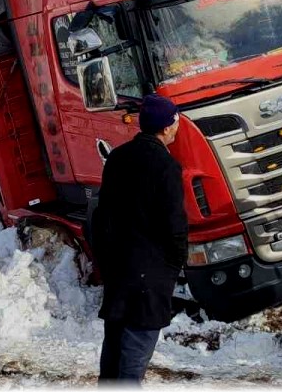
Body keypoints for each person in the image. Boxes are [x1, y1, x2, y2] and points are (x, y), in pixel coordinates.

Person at [91, 94, 188, 385]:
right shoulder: (167, 167)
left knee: (112, 360)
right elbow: (175, 226)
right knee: (132, 366)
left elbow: (101, 217)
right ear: (168, 127)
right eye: (176, 121)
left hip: (120, 274)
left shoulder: (117, 158)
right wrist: (174, 265)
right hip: (150, 279)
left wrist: (107, 262)